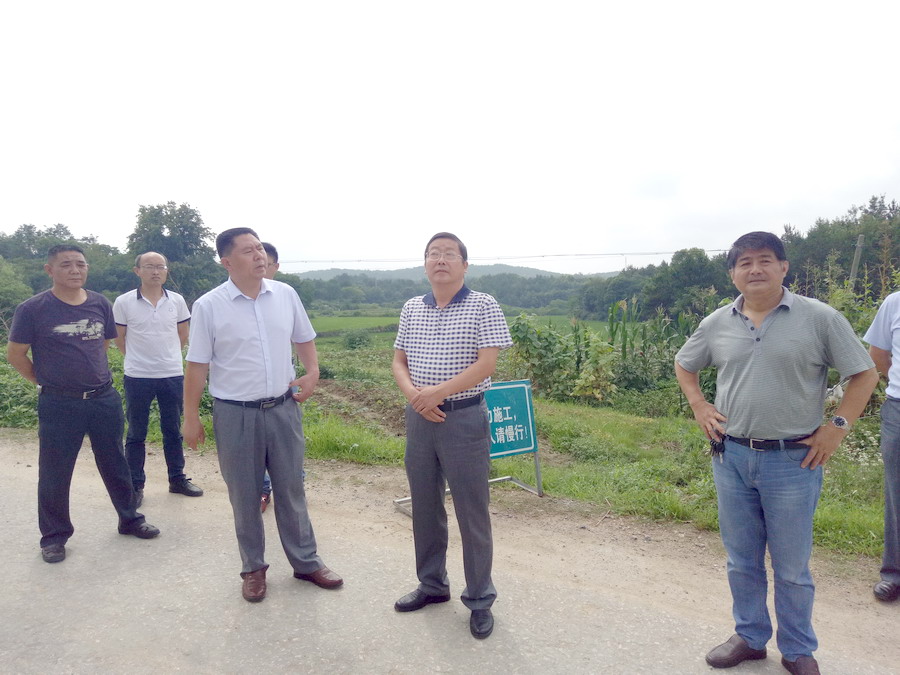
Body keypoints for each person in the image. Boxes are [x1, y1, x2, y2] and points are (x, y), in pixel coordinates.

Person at [675, 231, 878, 675]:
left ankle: (798, 649)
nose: (755, 270)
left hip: (794, 461)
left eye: (765, 260)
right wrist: (698, 405)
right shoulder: (717, 322)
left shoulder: (820, 318)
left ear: (784, 267)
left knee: (791, 566)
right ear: (733, 274)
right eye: (744, 263)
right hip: (731, 457)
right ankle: (749, 637)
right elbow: (684, 364)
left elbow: (864, 374)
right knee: (741, 558)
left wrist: (836, 429)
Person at [182, 227, 342, 602]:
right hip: (235, 414)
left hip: (284, 409)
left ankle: (306, 562)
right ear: (227, 261)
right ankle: (253, 569)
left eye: (259, 249)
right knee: (245, 495)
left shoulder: (285, 295)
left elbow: (304, 337)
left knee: (291, 488)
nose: (258, 255)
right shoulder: (209, 306)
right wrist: (191, 416)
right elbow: (197, 366)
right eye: (248, 251)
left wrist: (313, 371)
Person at [391, 232, 512, 640]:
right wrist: (414, 397)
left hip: (463, 419)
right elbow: (399, 359)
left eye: (449, 254)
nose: (440, 260)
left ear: (464, 265)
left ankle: (479, 598)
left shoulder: (483, 304)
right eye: (433, 254)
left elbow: (487, 363)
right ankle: (432, 585)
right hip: (420, 419)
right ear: (424, 264)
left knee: (471, 512)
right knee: (425, 507)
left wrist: (436, 394)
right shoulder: (412, 307)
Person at [7, 244, 160, 564]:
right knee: (55, 472)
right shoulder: (33, 309)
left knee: (116, 462)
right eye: (66, 265)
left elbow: (103, 344)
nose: (75, 270)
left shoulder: (99, 303)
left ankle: (129, 518)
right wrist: (43, 381)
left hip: (103, 398)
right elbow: (16, 355)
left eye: (80, 264)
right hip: (59, 403)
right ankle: (54, 536)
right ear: (50, 270)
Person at [113, 251, 203, 507]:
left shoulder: (176, 300)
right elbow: (119, 336)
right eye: (149, 266)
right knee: (136, 432)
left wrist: (168, 356)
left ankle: (177, 479)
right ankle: (135, 484)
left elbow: (182, 333)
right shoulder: (124, 302)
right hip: (137, 375)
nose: (155, 271)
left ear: (166, 271)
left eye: (160, 267)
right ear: (137, 271)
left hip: (172, 374)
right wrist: (134, 358)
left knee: (173, 430)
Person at [863, 290, 900, 603]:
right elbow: (878, 355)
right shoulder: (894, 302)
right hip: (899, 409)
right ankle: (894, 574)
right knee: (897, 493)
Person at [259, 241, 279, 512]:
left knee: (287, 449)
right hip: (246, 397)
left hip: (281, 391)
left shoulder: (283, 297)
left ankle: (292, 486)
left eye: (267, 263)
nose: (261, 266)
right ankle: (263, 490)